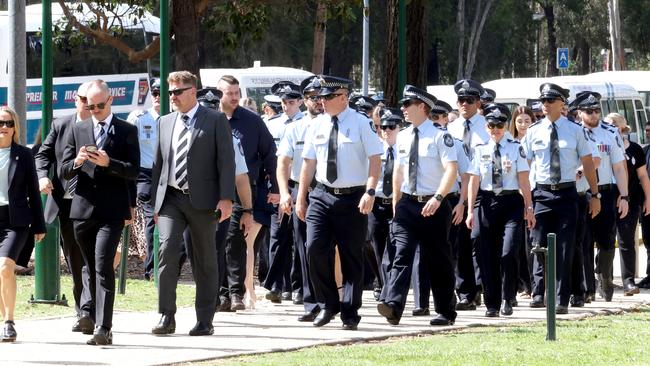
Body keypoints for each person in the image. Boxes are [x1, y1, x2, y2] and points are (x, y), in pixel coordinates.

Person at [150, 71, 235, 336]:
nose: (172, 97)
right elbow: (158, 165)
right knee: (166, 251)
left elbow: (226, 162)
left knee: (205, 260)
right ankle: (166, 316)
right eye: (169, 92)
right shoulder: (164, 122)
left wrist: (226, 198)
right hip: (171, 199)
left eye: (177, 92)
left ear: (192, 91)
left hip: (203, 201)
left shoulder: (215, 120)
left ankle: (204, 319)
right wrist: (156, 204)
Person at [296, 75, 383, 331]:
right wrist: (301, 197)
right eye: (318, 97)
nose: (320, 101)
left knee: (351, 257)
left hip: (353, 197)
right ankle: (328, 304)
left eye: (326, 97)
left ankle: (350, 312)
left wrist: (370, 191)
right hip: (321, 195)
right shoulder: (317, 125)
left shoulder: (361, 123)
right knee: (314, 248)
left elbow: (375, 159)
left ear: (343, 97)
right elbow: (309, 163)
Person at [60, 80, 140, 345]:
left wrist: (110, 163)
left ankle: (104, 327)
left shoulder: (127, 130)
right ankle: (92, 316)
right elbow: (63, 171)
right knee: (90, 267)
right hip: (82, 211)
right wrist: (78, 161)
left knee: (104, 265)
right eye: (89, 105)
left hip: (111, 211)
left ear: (110, 101)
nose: (93, 110)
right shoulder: (78, 128)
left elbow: (133, 170)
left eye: (98, 105)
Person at [378, 85, 458, 327]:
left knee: (438, 260)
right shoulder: (402, 136)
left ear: (422, 106)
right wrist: (396, 202)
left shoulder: (439, 135)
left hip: (433, 205)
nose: (402, 109)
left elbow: (451, 170)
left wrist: (438, 197)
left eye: (407, 104)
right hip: (407, 205)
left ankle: (445, 311)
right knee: (401, 255)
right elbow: (399, 172)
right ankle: (393, 305)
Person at [521, 83, 599, 314]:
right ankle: (541, 288)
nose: (545, 105)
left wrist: (595, 194)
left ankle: (560, 298)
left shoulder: (575, 130)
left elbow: (587, 163)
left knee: (564, 248)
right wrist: (526, 199)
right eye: (543, 101)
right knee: (539, 246)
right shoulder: (533, 131)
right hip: (542, 194)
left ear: (562, 103)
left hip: (567, 193)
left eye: (550, 100)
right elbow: (523, 166)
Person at [466, 103, 535, 317]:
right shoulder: (480, 149)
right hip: (486, 202)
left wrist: (529, 207)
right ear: (486, 126)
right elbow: (473, 182)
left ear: (506, 125)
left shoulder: (516, 148)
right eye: (491, 125)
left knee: (507, 252)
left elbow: (524, 180)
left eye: (499, 124)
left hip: (511, 202)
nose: (495, 129)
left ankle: (507, 297)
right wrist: (470, 211)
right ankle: (492, 303)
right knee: (485, 253)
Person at [35, 82, 92, 334]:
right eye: (83, 99)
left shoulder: (104, 127)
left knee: (96, 258)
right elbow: (42, 154)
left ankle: (93, 309)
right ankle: (83, 311)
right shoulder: (61, 125)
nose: (87, 104)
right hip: (66, 203)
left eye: (92, 100)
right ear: (75, 100)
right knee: (75, 258)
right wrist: (42, 176)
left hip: (95, 204)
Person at [217, 74, 278, 312]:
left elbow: (270, 154)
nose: (234, 98)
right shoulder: (211, 120)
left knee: (236, 241)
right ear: (219, 94)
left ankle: (236, 293)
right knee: (218, 241)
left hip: (245, 190)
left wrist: (274, 187)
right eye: (229, 93)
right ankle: (221, 293)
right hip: (217, 190)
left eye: (236, 93)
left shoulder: (252, 121)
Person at [195, 87, 254, 308]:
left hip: (220, 202)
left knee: (218, 248)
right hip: (186, 202)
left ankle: (218, 295)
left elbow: (241, 177)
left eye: (213, 110)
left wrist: (247, 209)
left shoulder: (230, 139)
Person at [277, 76, 323, 321]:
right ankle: (311, 302)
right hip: (301, 191)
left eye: (321, 96)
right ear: (304, 100)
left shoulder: (332, 124)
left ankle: (332, 298)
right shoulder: (294, 129)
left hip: (328, 191)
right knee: (305, 247)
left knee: (324, 247)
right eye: (313, 97)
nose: (318, 101)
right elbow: (282, 162)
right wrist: (285, 193)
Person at [575, 91, 628, 303]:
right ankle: (587, 288)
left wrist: (624, 196)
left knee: (606, 242)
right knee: (583, 241)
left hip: (606, 192)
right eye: (589, 111)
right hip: (581, 193)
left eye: (597, 110)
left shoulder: (610, 132)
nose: (594, 114)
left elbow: (619, 166)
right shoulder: (573, 132)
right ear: (579, 113)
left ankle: (605, 276)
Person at [0, 106, 46, 342]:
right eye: (0, 123)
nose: (4, 128)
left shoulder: (23, 154)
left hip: (15, 221)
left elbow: (33, 192)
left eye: (8, 123)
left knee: (5, 267)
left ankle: (9, 321)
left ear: (15, 127)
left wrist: (40, 225)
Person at [446, 79, 489, 311]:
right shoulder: (450, 129)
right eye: (461, 100)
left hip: (484, 190)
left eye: (469, 100)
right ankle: (465, 292)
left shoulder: (487, 126)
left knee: (480, 240)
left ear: (478, 102)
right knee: (460, 243)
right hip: (458, 191)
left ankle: (484, 285)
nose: (464, 104)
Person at [264, 81, 304, 303]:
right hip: (279, 186)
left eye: (291, 102)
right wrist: (276, 189)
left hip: (299, 185)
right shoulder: (273, 125)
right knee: (277, 236)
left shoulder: (307, 124)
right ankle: (277, 286)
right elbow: (269, 159)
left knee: (298, 238)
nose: (287, 106)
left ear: (299, 102)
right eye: (284, 102)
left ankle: (298, 286)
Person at [606, 113, 650, 295]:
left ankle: (628, 280)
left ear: (622, 128)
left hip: (630, 200)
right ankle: (604, 278)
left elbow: (643, 176)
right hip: (606, 199)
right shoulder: (603, 147)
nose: (610, 129)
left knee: (626, 241)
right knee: (605, 241)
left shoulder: (635, 149)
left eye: (613, 125)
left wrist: (648, 198)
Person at [127, 79, 166, 282]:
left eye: (163, 93)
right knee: (151, 221)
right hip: (146, 174)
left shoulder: (176, 118)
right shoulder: (139, 118)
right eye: (155, 93)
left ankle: (168, 265)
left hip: (170, 174)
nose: (158, 97)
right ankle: (151, 269)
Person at [368, 107, 401, 302]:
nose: (386, 131)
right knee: (377, 246)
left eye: (391, 126)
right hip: (377, 203)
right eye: (383, 127)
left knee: (396, 246)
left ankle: (392, 286)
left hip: (398, 202)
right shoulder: (374, 149)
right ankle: (383, 284)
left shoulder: (405, 149)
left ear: (399, 127)